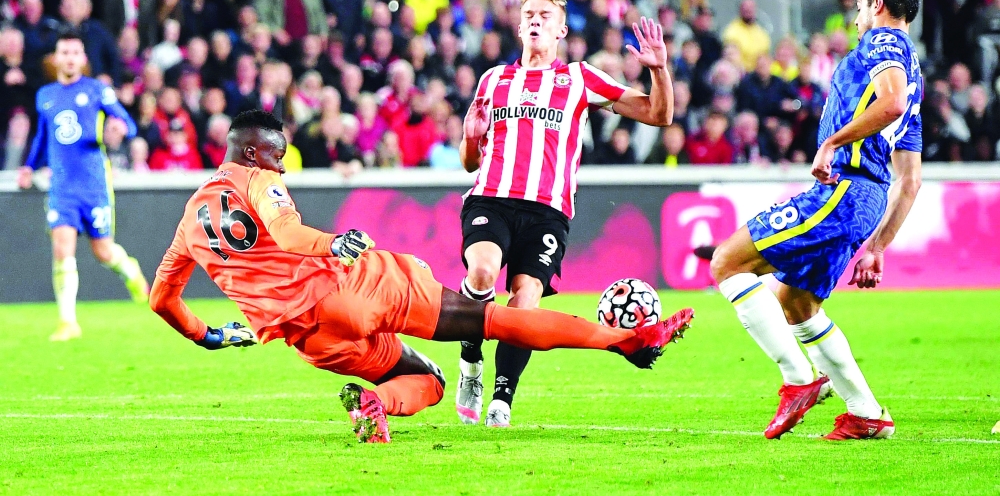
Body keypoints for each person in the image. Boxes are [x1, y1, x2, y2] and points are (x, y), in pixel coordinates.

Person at [149, 110, 695, 444]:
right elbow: (289, 235)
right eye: (277, 155)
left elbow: (161, 300)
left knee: (428, 382)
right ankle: (625, 340)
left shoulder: (186, 226)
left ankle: (376, 406)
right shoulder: (254, 178)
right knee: (496, 320)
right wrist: (332, 243)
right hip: (347, 288)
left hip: (312, 340)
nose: (282, 166)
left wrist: (208, 335)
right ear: (250, 152)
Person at [708, 0, 924, 440]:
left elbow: (886, 106)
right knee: (796, 303)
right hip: (865, 200)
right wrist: (879, 246)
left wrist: (832, 144)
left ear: (880, 5)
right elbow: (911, 180)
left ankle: (799, 380)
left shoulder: (884, 45)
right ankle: (867, 412)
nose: (857, 17)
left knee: (727, 262)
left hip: (843, 192)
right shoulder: (915, 76)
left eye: (862, 6)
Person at [455, 0, 676, 427]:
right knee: (480, 272)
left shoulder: (580, 77)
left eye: (545, 16)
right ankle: (471, 361)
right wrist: (470, 136)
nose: (536, 21)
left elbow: (659, 114)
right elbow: (469, 163)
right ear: (519, 27)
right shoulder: (493, 80)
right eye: (530, 15)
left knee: (525, 301)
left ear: (560, 31)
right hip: (491, 197)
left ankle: (502, 396)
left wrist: (658, 71)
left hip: (547, 211)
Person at [17, 32, 150, 341]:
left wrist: (119, 129)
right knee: (62, 248)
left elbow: (127, 124)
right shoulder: (45, 95)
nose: (70, 57)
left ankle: (130, 271)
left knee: (103, 251)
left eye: (75, 52)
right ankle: (68, 322)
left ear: (83, 59)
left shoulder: (97, 91)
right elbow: (41, 137)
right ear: (56, 58)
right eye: (64, 52)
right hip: (62, 186)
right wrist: (28, 166)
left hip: (94, 184)